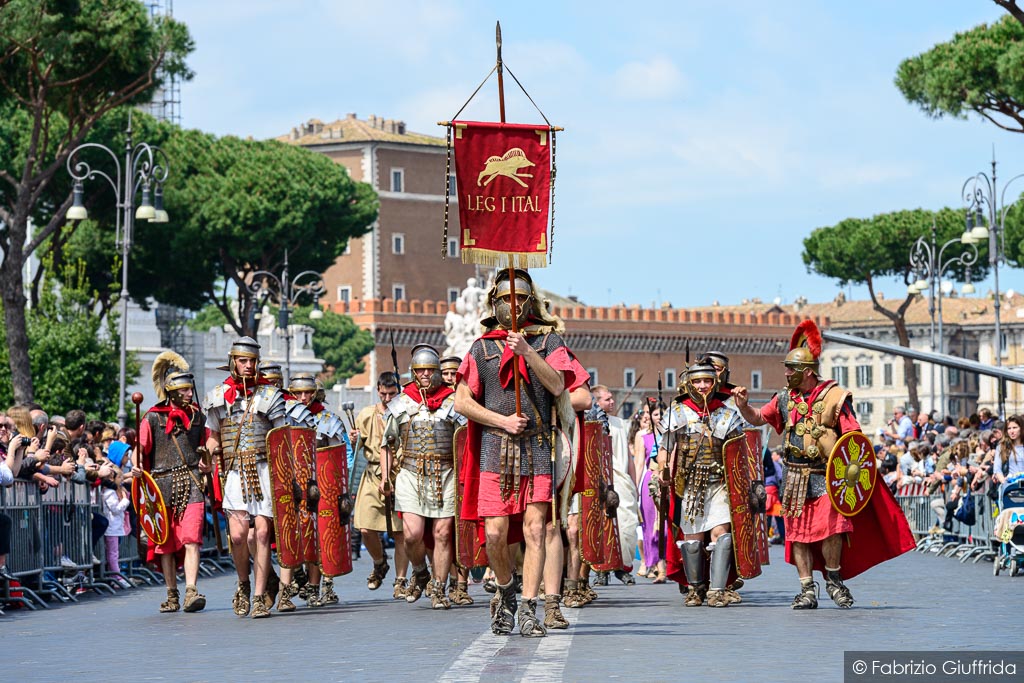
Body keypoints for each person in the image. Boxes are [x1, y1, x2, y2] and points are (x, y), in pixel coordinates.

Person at [734, 319, 915, 610]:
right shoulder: (784, 399)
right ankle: (807, 588)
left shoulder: (834, 397)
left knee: (833, 528)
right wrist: (743, 405)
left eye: (790, 369)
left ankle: (833, 578)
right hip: (794, 477)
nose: (785, 373)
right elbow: (758, 418)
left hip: (827, 475)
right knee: (797, 535)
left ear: (806, 372)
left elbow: (853, 437)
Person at [455, 268, 575, 637]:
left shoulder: (548, 342)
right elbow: (462, 402)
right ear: (495, 304)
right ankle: (506, 590)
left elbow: (558, 385)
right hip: (496, 447)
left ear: (530, 302)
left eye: (520, 298)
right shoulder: (481, 347)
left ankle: (527, 608)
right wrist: (501, 421)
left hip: (537, 448)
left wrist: (527, 352)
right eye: (506, 299)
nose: (514, 305)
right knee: (494, 533)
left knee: (536, 530)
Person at [204, 337, 287, 619]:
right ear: (233, 362)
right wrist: (210, 450)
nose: (248, 366)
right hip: (235, 472)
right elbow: (213, 436)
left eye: (252, 361)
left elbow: (282, 438)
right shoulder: (217, 396)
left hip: (264, 470)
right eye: (243, 361)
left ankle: (259, 597)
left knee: (262, 533)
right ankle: (243, 583)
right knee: (239, 536)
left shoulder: (270, 396)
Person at [658, 362, 751, 607]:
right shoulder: (677, 412)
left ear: (714, 383)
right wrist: (662, 468)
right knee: (692, 540)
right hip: (690, 485)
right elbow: (665, 447)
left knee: (722, 536)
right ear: (689, 384)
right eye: (697, 382)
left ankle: (718, 590)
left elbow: (740, 453)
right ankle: (696, 588)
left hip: (719, 483)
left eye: (707, 381)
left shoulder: (727, 414)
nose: (702, 386)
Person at [384, 345, 465, 609]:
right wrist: (386, 477)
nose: (426, 375)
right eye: (421, 371)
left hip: (446, 473)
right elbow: (388, 443)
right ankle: (420, 572)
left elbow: (465, 441)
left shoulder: (453, 402)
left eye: (431, 370)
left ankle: (439, 588)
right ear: (414, 373)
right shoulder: (401, 402)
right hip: (411, 473)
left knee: (442, 533)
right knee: (412, 534)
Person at [141, 351, 210, 613]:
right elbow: (142, 452)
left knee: (192, 539)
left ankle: (191, 590)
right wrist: (138, 469)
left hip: (191, 482)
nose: (189, 394)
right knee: (166, 544)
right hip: (161, 486)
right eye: (183, 390)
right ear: (171, 392)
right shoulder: (151, 418)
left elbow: (205, 447)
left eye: (190, 389)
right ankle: (172, 592)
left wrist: (207, 461)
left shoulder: (197, 417)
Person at [353, 372, 408, 599]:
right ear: (377, 390)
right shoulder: (366, 415)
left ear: (399, 391)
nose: (387, 398)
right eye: (383, 393)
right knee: (365, 528)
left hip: (400, 474)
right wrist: (355, 438)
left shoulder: (406, 414)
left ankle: (401, 581)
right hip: (372, 473)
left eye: (392, 393)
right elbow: (357, 449)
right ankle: (379, 563)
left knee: (401, 532)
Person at [440, 354, 474, 607]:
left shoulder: (470, 400)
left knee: (464, 528)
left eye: (455, 374)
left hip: (465, 471)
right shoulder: (434, 404)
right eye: (446, 374)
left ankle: (461, 584)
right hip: (440, 474)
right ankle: (448, 581)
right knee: (443, 532)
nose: (450, 378)